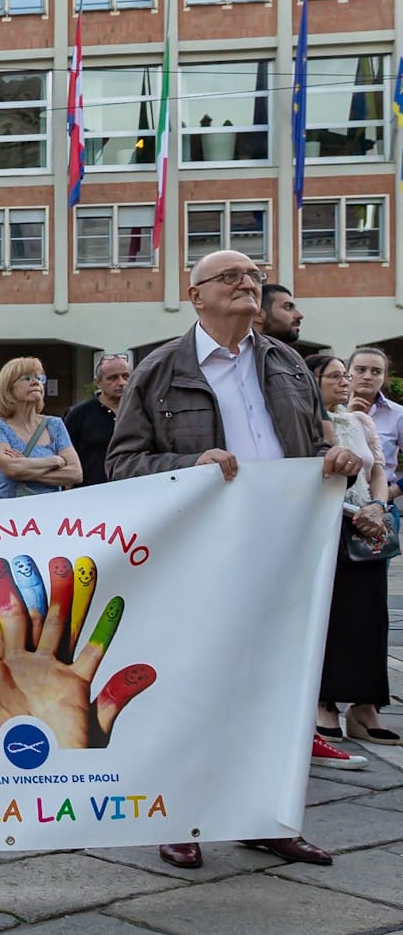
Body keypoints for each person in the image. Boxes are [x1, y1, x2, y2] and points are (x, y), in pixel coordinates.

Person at [106, 248, 362, 870]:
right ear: (195, 296)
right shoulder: (161, 369)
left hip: (281, 548)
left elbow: (310, 446)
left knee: (277, 687)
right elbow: (121, 464)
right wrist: (187, 465)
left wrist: (337, 464)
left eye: (254, 276)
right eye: (230, 277)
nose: (248, 285)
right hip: (199, 555)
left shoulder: (288, 364)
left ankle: (266, 815)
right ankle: (181, 816)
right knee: (192, 684)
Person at [307, 354, 396, 755]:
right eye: (337, 376)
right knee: (334, 615)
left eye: (348, 375)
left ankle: (366, 709)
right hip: (330, 524)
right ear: (315, 381)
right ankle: (325, 703)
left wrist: (377, 507)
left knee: (372, 616)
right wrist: (353, 512)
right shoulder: (307, 420)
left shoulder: (360, 421)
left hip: (368, 525)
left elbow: (378, 469)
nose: (346, 382)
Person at [0, 358, 81, 498]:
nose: (36, 382)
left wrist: (25, 468)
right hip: (9, 513)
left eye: (40, 378)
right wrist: (54, 461)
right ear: (9, 388)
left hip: (48, 511)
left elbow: (75, 473)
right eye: (27, 378)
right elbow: (11, 469)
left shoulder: (55, 424)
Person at [63, 353, 131, 487]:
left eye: (126, 376)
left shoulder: (141, 412)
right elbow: (66, 460)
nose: (122, 383)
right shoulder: (79, 414)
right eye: (112, 378)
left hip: (134, 491)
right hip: (89, 494)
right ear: (98, 382)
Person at [347, 347, 403, 490]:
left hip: (381, 497)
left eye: (376, 372)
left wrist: (391, 493)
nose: (367, 376)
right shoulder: (331, 408)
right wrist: (347, 416)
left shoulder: (398, 414)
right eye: (360, 370)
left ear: (384, 377)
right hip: (337, 496)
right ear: (348, 373)